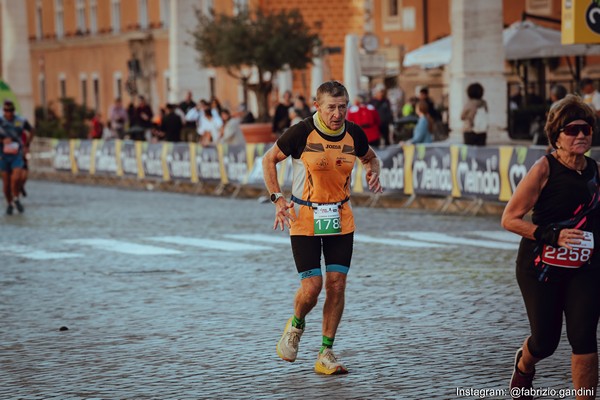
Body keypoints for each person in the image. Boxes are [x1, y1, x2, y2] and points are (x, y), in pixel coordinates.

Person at [262, 80, 383, 375]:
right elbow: (269, 160)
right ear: (318, 106)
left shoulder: (354, 133)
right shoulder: (301, 132)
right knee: (312, 288)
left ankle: (326, 351)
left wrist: (372, 172)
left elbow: (371, 158)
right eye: (331, 107)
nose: (338, 113)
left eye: (343, 107)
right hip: (304, 216)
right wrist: (278, 198)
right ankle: (296, 325)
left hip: (340, 217)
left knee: (337, 284)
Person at [501, 94, 600, 400]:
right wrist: (552, 236)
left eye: (586, 129)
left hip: (584, 266)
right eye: (572, 130)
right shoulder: (544, 168)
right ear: (556, 135)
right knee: (546, 341)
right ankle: (525, 364)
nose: (581, 135)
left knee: (584, 336)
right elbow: (510, 219)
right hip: (540, 266)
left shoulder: (594, 169)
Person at [0, 102, 26, 215]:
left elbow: (31, 129)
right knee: (6, 185)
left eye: (10, 111)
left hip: (16, 155)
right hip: (3, 157)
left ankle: (16, 198)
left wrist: (27, 145)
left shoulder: (19, 121)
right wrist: (2, 141)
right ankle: (10, 203)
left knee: (16, 178)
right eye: (6, 110)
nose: (8, 113)